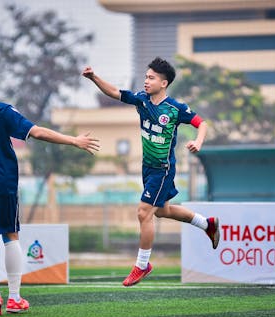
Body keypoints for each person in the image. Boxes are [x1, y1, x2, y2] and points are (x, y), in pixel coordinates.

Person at [0, 60, 100, 315]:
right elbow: (36, 132)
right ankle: (14, 297)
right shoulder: (2, 111)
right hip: (2, 184)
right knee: (9, 235)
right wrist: (74, 140)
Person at [82, 57, 219, 287]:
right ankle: (208, 224)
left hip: (163, 170)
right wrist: (94, 77)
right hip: (147, 168)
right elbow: (115, 92)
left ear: (163, 83)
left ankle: (142, 265)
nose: (146, 81)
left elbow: (202, 123)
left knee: (144, 212)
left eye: (151, 77)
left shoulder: (175, 108)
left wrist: (199, 141)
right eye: (146, 77)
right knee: (162, 211)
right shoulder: (141, 100)